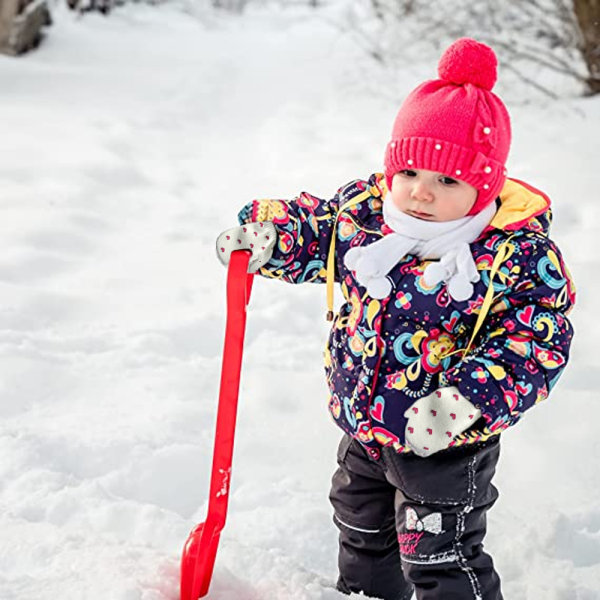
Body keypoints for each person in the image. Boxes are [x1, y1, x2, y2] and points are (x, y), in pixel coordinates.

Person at [215, 38, 576, 600]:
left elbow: (535, 346)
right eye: (408, 171)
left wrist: (460, 406)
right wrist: (269, 238)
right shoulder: (365, 215)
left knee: (438, 553)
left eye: (448, 181)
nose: (421, 193)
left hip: (446, 441)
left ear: (482, 186)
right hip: (365, 424)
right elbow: (317, 233)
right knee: (361, 529)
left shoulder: (512, 257)